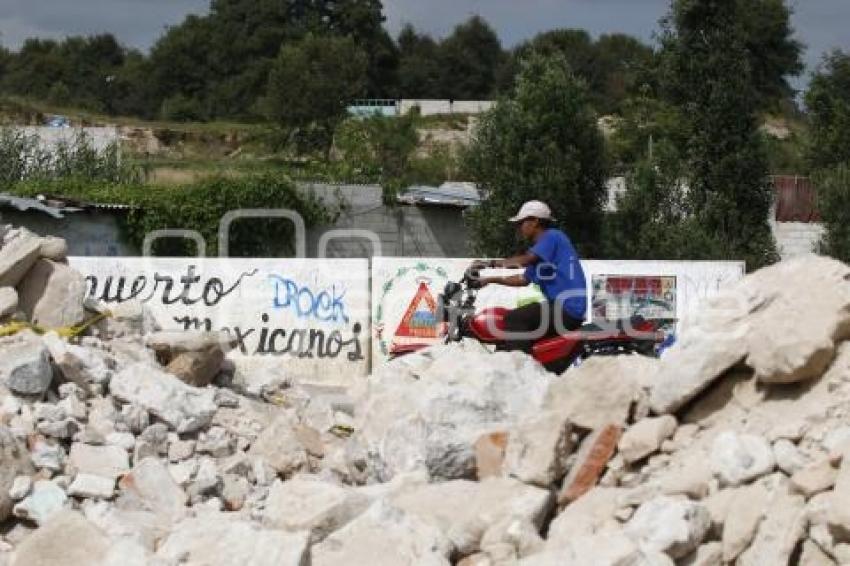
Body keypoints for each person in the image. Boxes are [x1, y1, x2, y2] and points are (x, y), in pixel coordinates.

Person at [472, 200, 587, 353]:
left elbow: (525, 260)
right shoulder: (541, 252)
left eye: (521, 222)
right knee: (513, 319)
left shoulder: (552, 237)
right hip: (561, 309)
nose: (519, 228)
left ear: (535, 221)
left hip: (568, 309)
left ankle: (520, 367)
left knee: (515, 318)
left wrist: (489, 263)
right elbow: (523, 279)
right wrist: (489, 280)